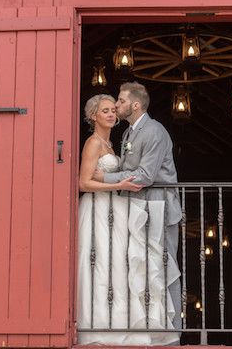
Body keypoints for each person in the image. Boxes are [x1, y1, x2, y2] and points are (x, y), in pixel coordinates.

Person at [77, 93, 180, 346]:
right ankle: (99, 327)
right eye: (105, 111)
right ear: (93, 116)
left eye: (114, 109)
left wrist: (117, 182)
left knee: (120, 266)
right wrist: (118, 184)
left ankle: (122, 323)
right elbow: (83, 182)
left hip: (116, 208)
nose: (112, 114)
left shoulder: (115, 142)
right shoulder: (92, 143)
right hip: (99, 209)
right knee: (101, 264)